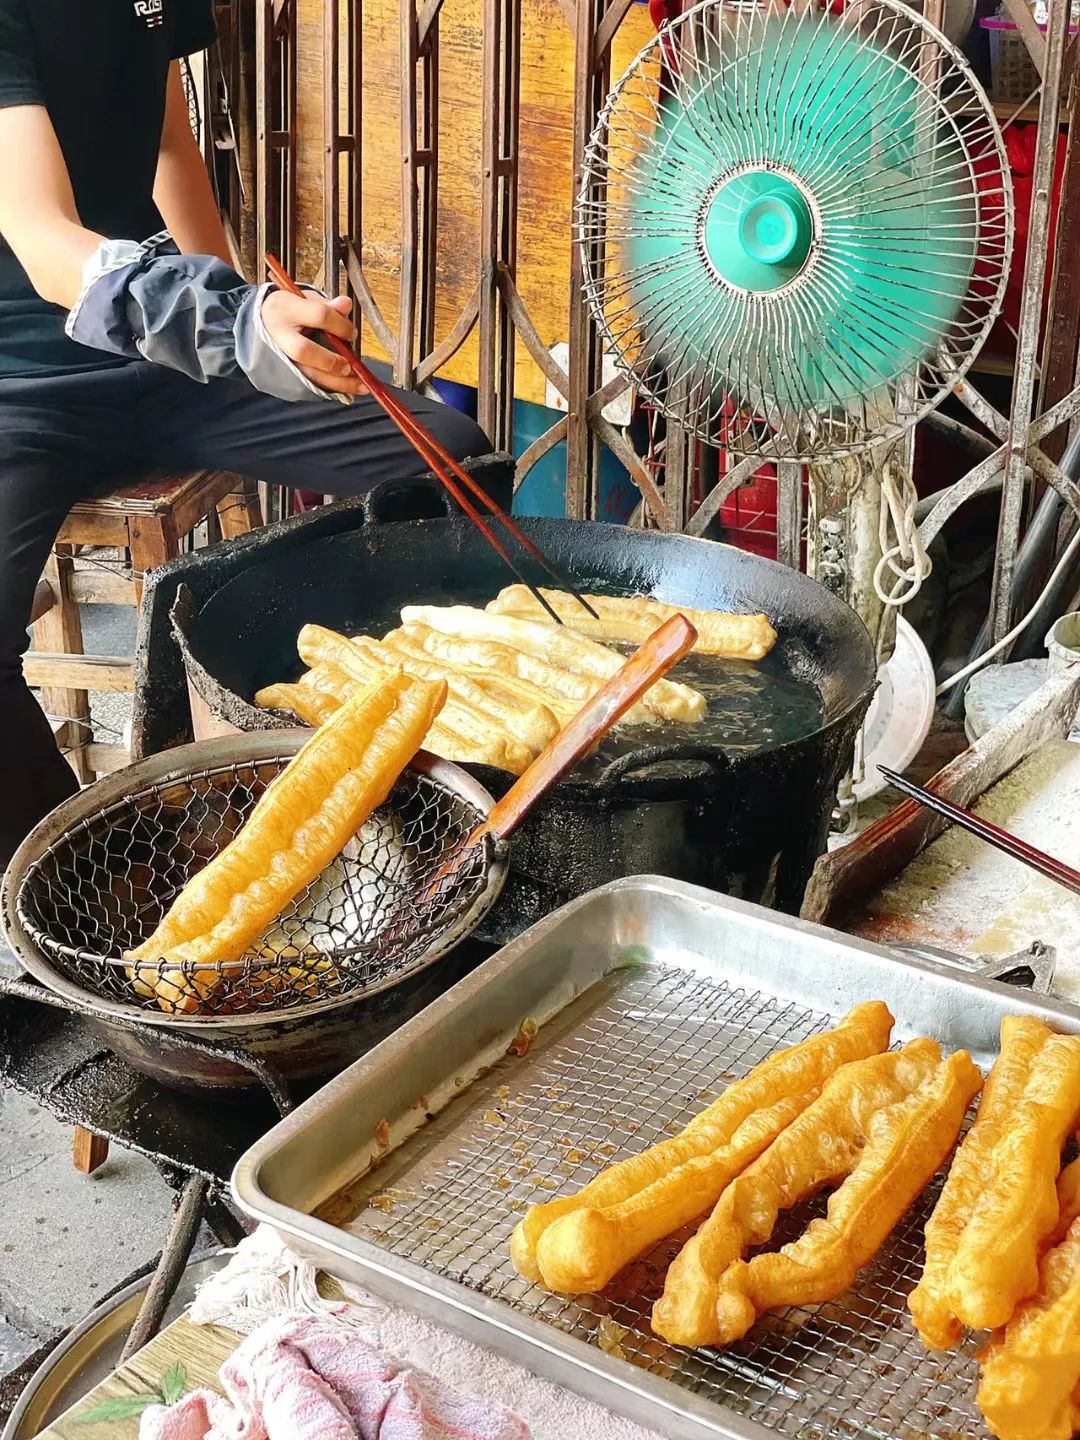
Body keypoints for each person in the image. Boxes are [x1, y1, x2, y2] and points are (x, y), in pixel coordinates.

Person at [0, 0, 491, 869]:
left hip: (166, 364)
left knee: (449, 462)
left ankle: (420, 778)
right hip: (23, 387)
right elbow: (44, 240)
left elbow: (170, 147)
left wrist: (244, 322)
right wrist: (232, 321)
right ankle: (98, 883)